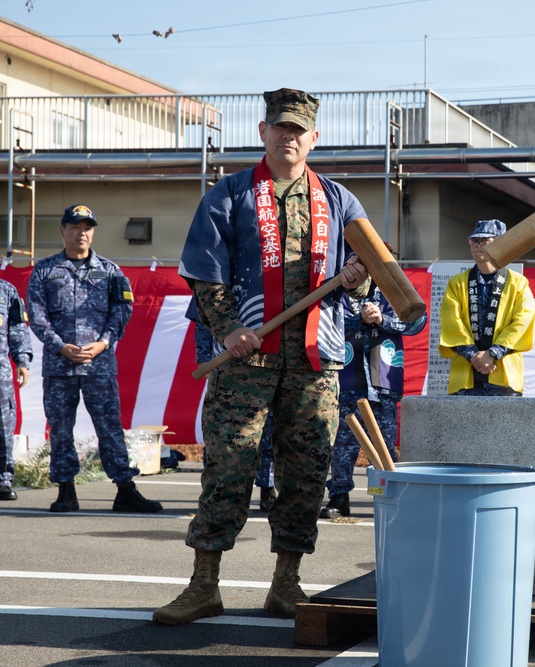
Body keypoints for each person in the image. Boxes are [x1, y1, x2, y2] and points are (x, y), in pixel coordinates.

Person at [154, 88, 370, 625]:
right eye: (280, 127)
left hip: (316, 359)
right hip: (245, 360)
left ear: (314, 139)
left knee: (307, 469)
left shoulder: (340, 201)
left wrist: (358, 282)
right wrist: (227, 329)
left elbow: (368, 274)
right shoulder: (228, 196)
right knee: (228, 466)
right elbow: (205, 272)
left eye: (299, 130)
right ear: (262, 131)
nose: (288, 136)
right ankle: (204, 584)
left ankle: (286, 583)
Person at [27, 204, 162, 514]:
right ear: (63, 230)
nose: (81, 233)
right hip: (60, 366)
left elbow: (122, 311)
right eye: (75, 227)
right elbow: (36, 315)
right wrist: (60, 345)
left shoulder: (111, 271)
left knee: (109, 427)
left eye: (87, 227)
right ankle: (66, 491)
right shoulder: (45, 271)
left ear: (93, 232)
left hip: (98, 365)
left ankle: (125, 490)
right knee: (60, 429)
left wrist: (104, 343)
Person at [320, 280, 426, 518]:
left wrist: (382, 319)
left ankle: (388, 496)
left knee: (385, 446)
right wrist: (361, 319)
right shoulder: (338, 292)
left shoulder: (394, 290)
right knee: (343, 446)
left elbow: (417, 322)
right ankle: (339, 496)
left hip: (384, 380)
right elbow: (324, 325)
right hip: (347, 379)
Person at [438, 219, 535, 396]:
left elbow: (523, 321)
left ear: (501, 243)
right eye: (474, 241)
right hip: (465, 378)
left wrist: (494, 352)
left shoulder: (518, 283)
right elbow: (451, 323)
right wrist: (475, 357)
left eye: (484, 241)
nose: (477, 245)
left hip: (504, 376)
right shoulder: (457, 283)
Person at [193, 319, 277, 512]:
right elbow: (203, 315)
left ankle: (267, 487)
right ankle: (217, 497)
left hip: (269, 359)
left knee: (269, 432)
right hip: (228, 361)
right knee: (223, 435)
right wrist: (205, 356)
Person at [0, 280, 32, 502]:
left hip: (0, 374)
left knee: (3, 426)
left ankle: (2, 481)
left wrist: (22, 360)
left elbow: (18, 327)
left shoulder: (6, 290)